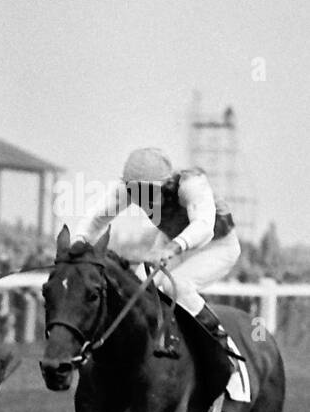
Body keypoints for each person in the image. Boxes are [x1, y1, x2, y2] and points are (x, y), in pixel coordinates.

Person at [69, 146, 239, 362]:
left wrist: (172, 248)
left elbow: (204, 227)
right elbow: (95, 220)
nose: (140, 198)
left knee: (176, 285)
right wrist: (79, 243)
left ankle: (226, 348)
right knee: (136, 288)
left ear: (166, 185)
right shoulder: (127, 190)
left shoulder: (191, 185)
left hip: (217, 246)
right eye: (133, 191)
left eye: (147, 192)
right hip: (172, 242)